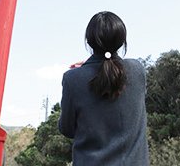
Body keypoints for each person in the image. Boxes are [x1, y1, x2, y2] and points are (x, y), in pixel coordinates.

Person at [59, 11, 149, 166]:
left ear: (88, 41)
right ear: (122, 41)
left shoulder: (72, 79)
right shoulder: (137, 70)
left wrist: (83, 70)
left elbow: (67, 129)